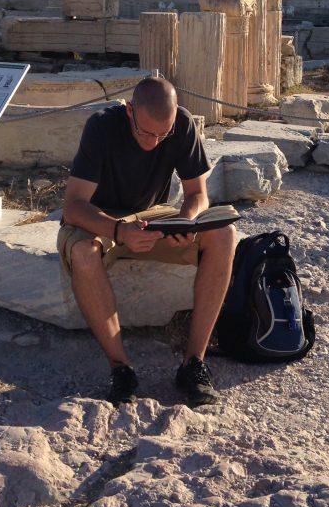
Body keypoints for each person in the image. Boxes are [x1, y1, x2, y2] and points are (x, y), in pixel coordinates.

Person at [58, 76, 237, 407]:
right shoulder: (101, 127)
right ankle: (120, 368)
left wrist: (187, 221)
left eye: (163, 135)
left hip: (152, 215)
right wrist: (118, 231)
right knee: (84, 252)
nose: (154, 142)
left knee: (224, 235)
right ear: (130, 112)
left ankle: (193, 363)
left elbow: (198, 194)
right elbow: (73, 207)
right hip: (100, 217)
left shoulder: (180, 124)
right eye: (145, 133)